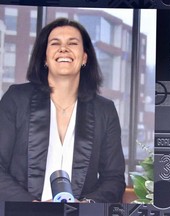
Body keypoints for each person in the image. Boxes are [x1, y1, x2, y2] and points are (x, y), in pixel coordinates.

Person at [0, 18, 126, 203]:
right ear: (45, 57)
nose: (63, 49)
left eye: (72, 43)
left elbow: (113, 178)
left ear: (84, 57)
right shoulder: (16, 99)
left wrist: (84, 206)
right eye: (55, 43)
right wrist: (33, 207)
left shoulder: (104, 110)